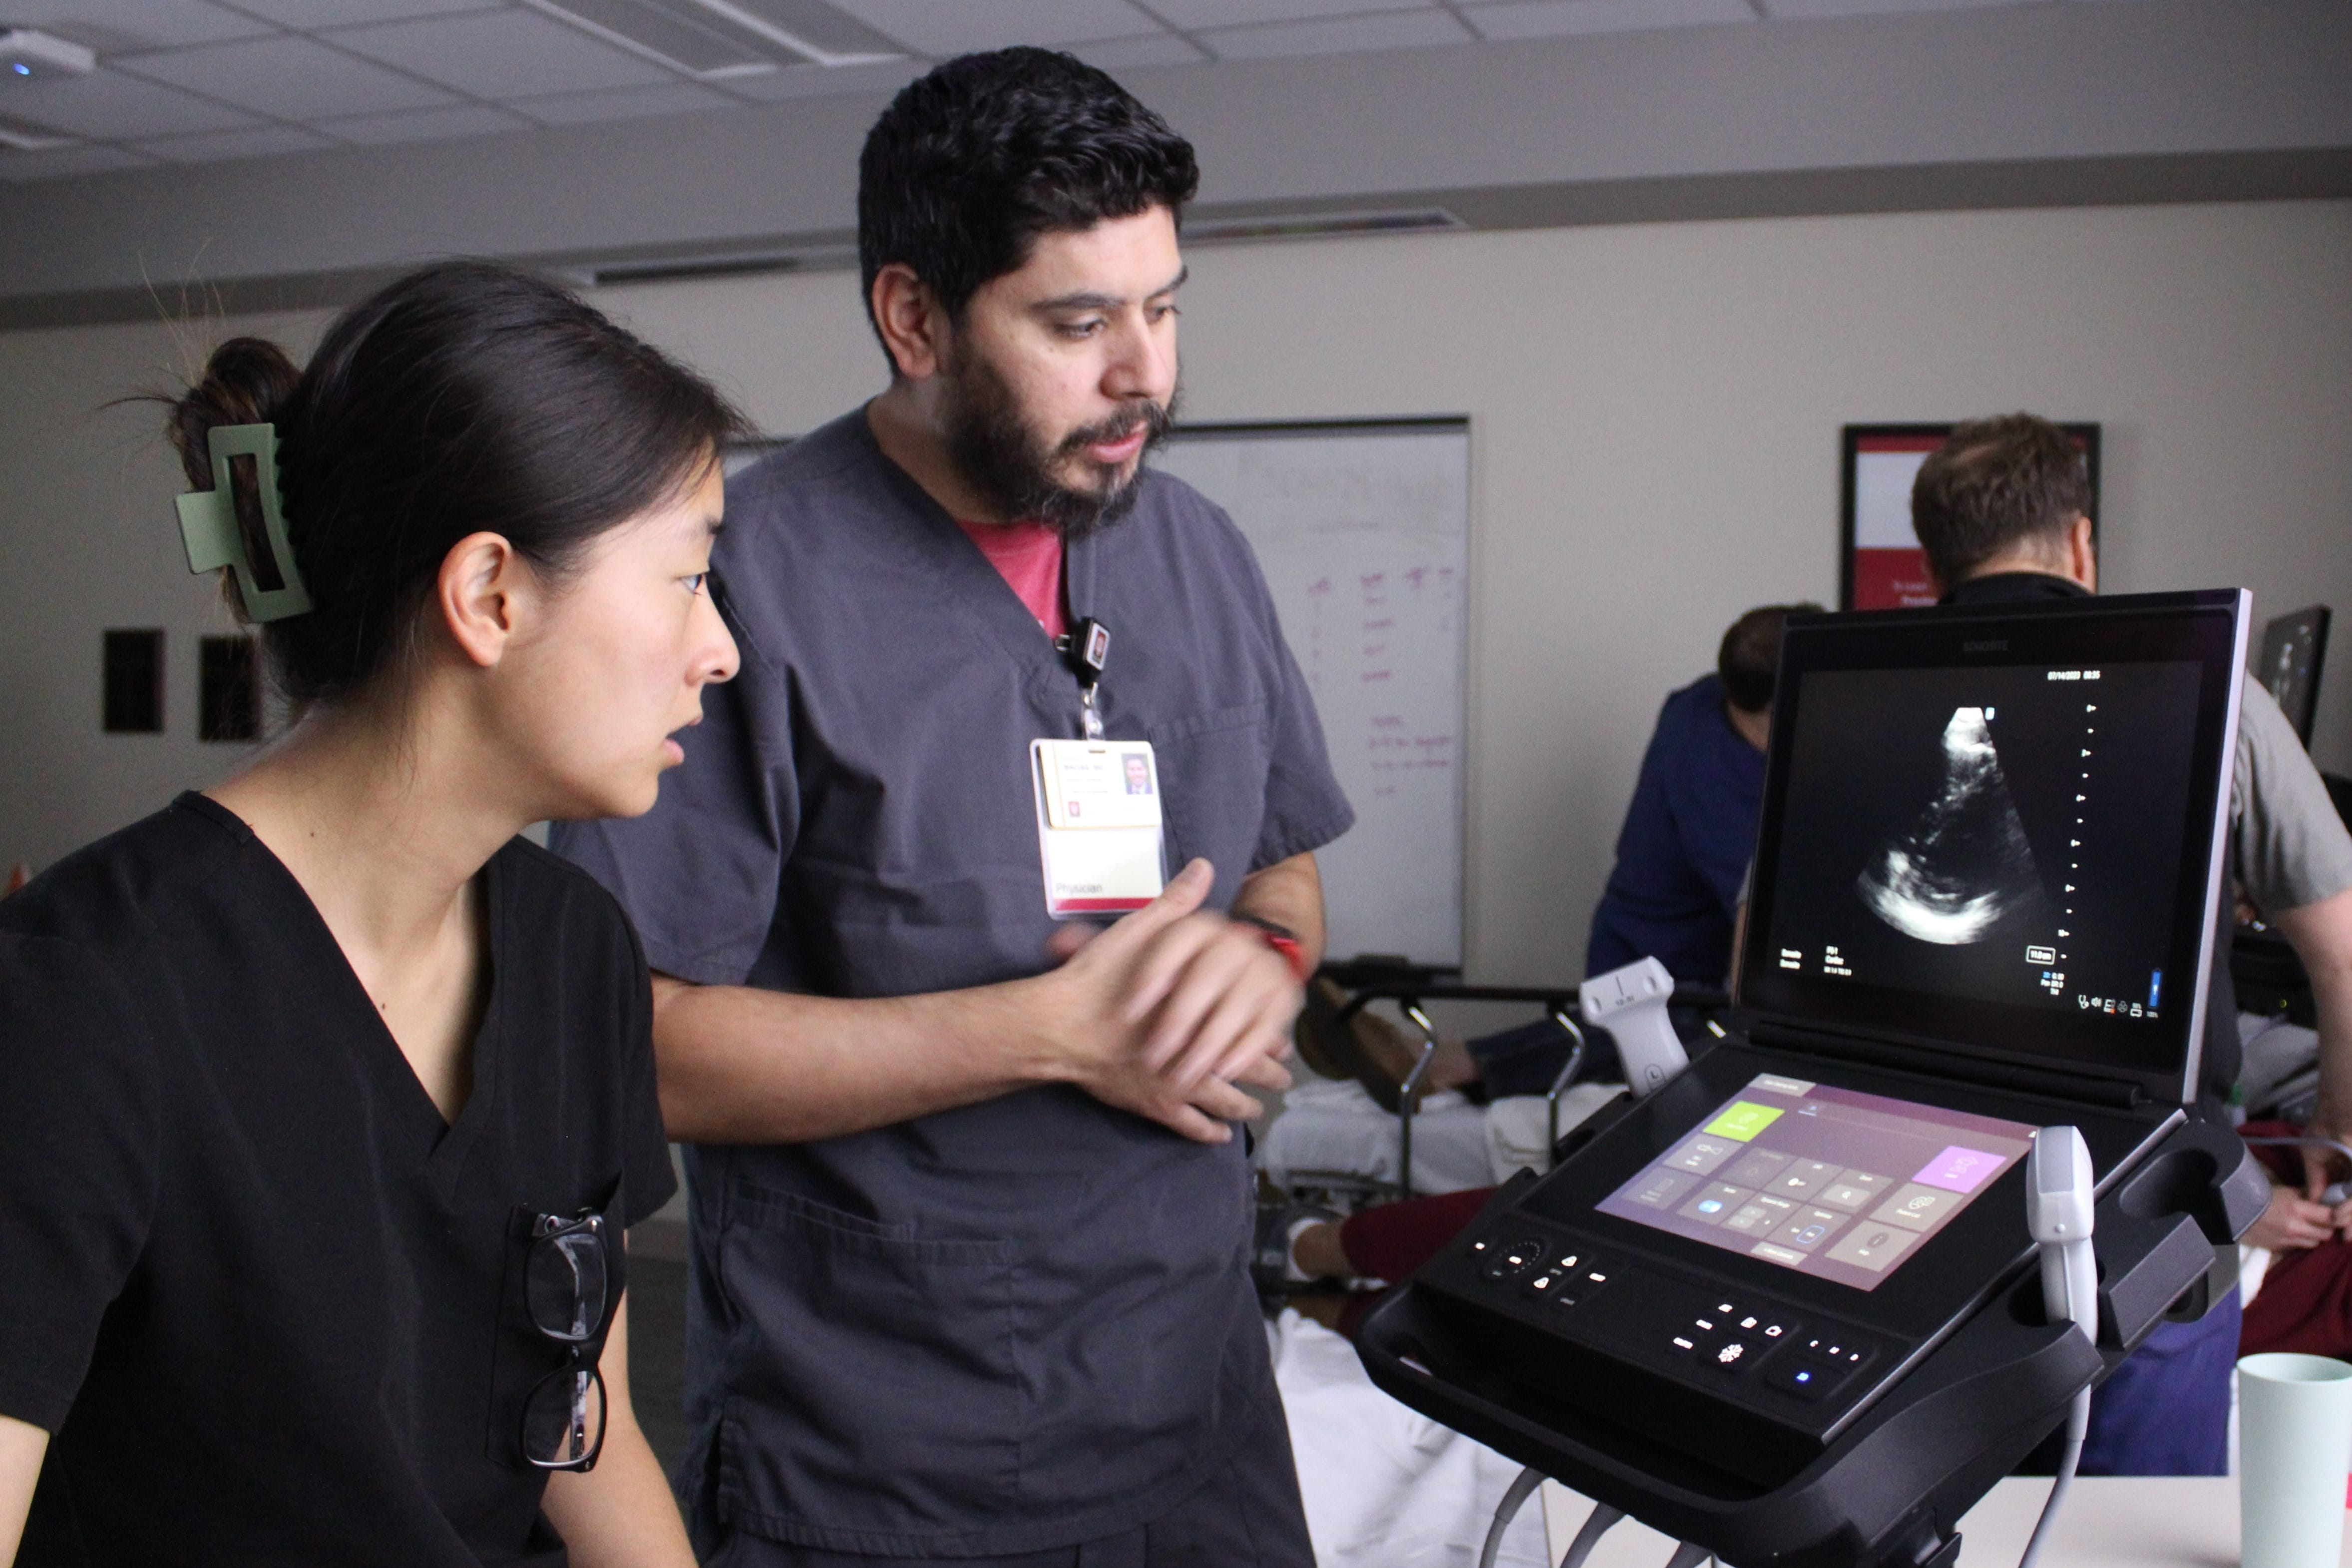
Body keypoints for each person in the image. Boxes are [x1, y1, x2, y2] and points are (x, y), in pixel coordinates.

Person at [550, 49, 1351, 1568]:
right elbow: (627, 1039)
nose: (1145, 374)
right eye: (1077, 322)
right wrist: (1051, 1031)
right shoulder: (745, 583)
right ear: (912, 316)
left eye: (1163, 308)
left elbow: (1281, 869)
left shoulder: (1196, 552)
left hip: (1196, 1404)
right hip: (886, 1449)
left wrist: (1267, 962)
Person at [0, 262, 740, 1566]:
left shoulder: (575, 953)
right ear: (491, 595)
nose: (719, 646)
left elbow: (589, 1427)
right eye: (687, 578)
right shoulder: (85, 992)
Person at [1909, 412, 2352, 1476]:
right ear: (2079, 545)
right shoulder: (2214, 694)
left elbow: (1758, 956)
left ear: (1934, 568)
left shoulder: (1853, 699)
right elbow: (2342, 952)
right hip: (2137, 1227)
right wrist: (2331, 1141)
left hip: (1913, 1216)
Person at [1587, 602, 1817, 987]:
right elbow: (1770, 925)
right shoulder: (1716, 783)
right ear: (1780, 705)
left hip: (1638, 954)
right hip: (1661, 984)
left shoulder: (1703, 698)